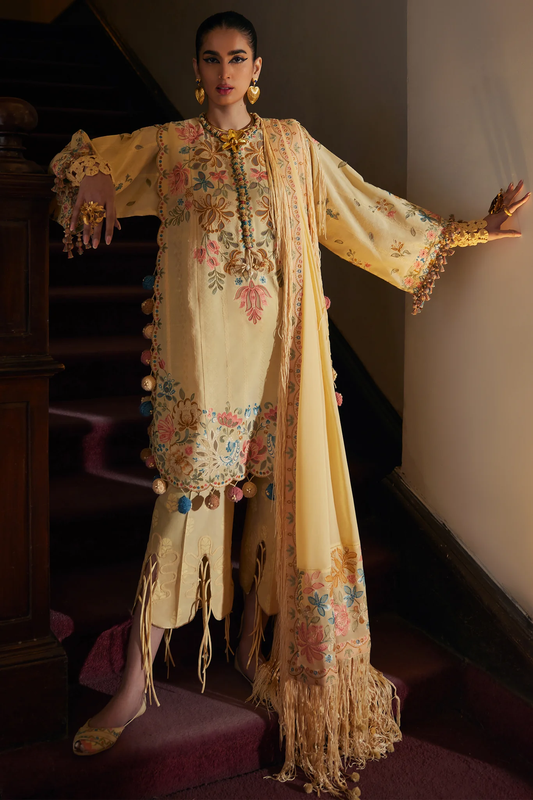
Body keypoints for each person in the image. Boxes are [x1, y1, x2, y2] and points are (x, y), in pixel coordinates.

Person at [50, 10, 529, 797]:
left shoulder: (292, 146)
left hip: (281, 365)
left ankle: (257, 647)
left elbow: (360, 208)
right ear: (195, 70)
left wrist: (468, 232)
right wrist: (91, 176)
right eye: (211, 59)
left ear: (256, 67)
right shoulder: (170, 146)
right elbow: (80, 160)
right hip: (203, 371)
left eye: (236, 58)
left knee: (277, 508)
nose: (224, 72)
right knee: (181, 515)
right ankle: (134, 685)